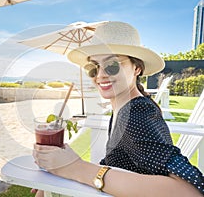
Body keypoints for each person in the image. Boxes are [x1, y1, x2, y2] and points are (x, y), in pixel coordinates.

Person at [32, 21, 204, 196]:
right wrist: (61, 167)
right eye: (93, 68)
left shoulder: (136, 116)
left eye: (112, 65)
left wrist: (76, 168)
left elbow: (189, 191)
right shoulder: (125, 109)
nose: (100, 75)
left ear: (136, 68)